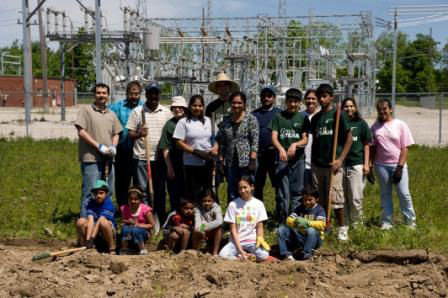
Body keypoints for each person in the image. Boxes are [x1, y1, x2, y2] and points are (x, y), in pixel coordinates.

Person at [309, 84, 352, 241]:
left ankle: (342, 228)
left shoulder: (338, 115)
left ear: (331, 97)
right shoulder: (316, 118)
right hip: (317, 163)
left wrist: (340, 159)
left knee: (335, 197)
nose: (321, 99)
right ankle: (325, 225)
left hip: (333, 163)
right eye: (320, 96)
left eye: (325, 96)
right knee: (321, 198)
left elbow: (349, 138)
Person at [127, 82, 172, 225]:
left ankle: (160, 216)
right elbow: (130, 134)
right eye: (151, 93)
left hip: (159, 158)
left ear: (159, 94)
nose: (153, 96)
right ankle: (145, 217)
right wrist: (140, 133)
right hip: (141, 156)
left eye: (156, 93)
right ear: (146, 94)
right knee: (142, 190)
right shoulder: (137, 111)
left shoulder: (166, 112)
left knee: (159, 190)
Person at [75, 83, 122, 218]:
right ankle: (85, 223)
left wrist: (114, 146)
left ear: (108, 95)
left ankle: (105, 221)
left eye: (104, 93)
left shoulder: (111, 114)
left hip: (108, 159)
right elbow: (81, 132)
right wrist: (98, 146)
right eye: (98, 93)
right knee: (90, 192)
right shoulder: (86, 111)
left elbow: (116, 133)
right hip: (91, 158)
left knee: (108, 191)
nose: (101, 95)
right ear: (94, 95)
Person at [370, 99, 417, 230]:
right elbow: (373, 148)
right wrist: (370, 166)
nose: (382, 112)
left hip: (398, 166)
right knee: (385, 194)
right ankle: (386, 221)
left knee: (404, 193)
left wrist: (400, 168)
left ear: (390, 109)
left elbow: (405, 148)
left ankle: (410, 222)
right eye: (379, 109)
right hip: (381, 166)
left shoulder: (400, 125)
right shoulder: (374, 127)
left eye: (384, 109)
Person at [269, 88, 309, 224]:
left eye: (296, 102)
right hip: (282, 160)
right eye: (290, 101)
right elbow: (274, 137)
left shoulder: (303, 118)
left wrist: (295, 145)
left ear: (300, 103)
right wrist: (280, 149)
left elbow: (305, 139)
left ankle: (294, 221)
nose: (293, 104)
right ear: (286, 101)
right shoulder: (278, 117)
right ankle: (281, 221)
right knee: (282, 193)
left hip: (298, 160)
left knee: (297, 192)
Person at [173, 95, 218, 202]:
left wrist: (215, 148)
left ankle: (208, 214)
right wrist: (195, 151)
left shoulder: (209, 121)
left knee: (208, 191)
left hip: (208, 162)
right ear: (189, 106)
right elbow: (178, 142)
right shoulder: (183, 122)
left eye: (200, 106)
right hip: (191, 163)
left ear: (203, 107)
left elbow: (216, 138)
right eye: (194, 105)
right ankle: (195, 215)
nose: (197, 108)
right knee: (193, 192)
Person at [217, 91, 259, 202]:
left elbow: (255, 140)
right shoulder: (226, 120)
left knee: (246, 188)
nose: (236, 105)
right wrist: (221, 160)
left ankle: (249, 214)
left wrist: (253, 159)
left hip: (247, 161)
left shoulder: (251, 119)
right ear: (230, 104)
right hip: (231, 161)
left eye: (239, 103)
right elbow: (223, 142)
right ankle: (233, 215)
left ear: (244, 104)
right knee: (232, 189)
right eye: (234, 103)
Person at [108, 81, 144, 206]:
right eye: (131, 93)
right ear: (126, 93)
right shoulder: (116, 107)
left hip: (140, 149)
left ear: (140, 93)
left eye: (136, 93)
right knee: (122, 180)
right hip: (123, 149)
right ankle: (123, 207)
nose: (134, 96)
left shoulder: (144, 107)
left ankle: (139, 209)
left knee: (139, 179)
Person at [219, 176, 271, 262]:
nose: (242, 191)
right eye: (240, 188)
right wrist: (240, 249)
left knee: (264, 255)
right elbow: (233, 229)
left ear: (252, 187)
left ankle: (244, 257)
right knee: (222, 255)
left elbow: (260, 226)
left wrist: (260, 239)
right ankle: (242, 257)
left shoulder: (259, 204)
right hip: (236, 241)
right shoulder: (233, 204)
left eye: (245, 187)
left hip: (252, 240)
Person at [341, 97, 372, 225]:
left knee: (355, 197)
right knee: (343, 196)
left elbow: (366, 144)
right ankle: (346, 222)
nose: (349, 109)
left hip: (356, 163)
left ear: (355, 107)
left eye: (351, 106)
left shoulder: (361, 123)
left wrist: (366, 164)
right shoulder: (339, 123)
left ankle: (357, 223)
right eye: (346, 106)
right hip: (342, 164)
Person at [277, 185, 326, 261]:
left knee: (311, 230)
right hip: (299, 236)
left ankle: (306, 254)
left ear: (316, 199)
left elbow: (322, 224)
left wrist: (308, 223)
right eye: (305, 199)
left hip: (315, 238)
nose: (307, 202)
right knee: (281, 229)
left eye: (310, 200)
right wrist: (295, 222)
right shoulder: (299, 208)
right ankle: (286, 254)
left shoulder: (319, 209)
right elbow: (288, 220)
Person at [159, 96, 188, 211]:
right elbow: (165, 147)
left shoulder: (191, 121)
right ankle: (175, 216)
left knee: (188, 190)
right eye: (175, 107)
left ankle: (190, 217)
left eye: (180, 107)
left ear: (185, 108)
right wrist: (169, 167)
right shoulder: (169, 125)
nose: (177, 109)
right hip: (176, 161)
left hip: (191, 162)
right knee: (174, 191)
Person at [252, 86, 282, 201]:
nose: (266, 98)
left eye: (269, 96)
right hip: (259, 155)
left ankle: (280, 212)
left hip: (276, 155)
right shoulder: (254, 114)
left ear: (274, 98)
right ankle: (259, 211)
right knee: (257, 184)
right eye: (264, 96)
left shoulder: (280, 113)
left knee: (278, 184)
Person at [76, 180, 117, 254]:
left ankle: (112, 247)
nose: (98, 196)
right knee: (81, 221)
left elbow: (100, 221)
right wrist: (88, 239)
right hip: (94, 229)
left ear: (106, 193)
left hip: (107, 229)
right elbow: (90, 221)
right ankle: (85, 247)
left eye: (101, 193)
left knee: (103, 222)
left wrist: (92, 238)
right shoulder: (91, 203)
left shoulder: (108, 204)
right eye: (96, 193)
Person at [120, 185, 154, 255]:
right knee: (125, 229)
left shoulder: (145, 209)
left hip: (143, 232)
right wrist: (127, 221)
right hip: (129, 231)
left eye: (136, 199)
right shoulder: (124, 208)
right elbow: (122, 223)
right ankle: (124, 249)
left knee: (135, 229)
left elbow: (152, 225)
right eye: (130, 199)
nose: (133, 201)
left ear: (140, 200)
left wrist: (139, 225)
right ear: (128, 199)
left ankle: (142, 249)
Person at [192, 188, 223, 255]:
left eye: (209, 201)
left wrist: (206, 227)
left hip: (211, 228)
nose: (207, 203)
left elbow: (219, 221)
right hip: (202, 228)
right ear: (200, 201)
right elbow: (197, 222)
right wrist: (201, 229)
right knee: (194, 230)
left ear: (213, 200)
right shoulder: (198, 208)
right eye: (204, 201)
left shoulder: (217, 207)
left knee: (219, 228)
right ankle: (196, 250)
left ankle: (215, 252)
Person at [300, 89, 319, 187]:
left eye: (313, 98)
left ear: (317, 100)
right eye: (308, 98)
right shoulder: (300, 116)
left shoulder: (321, 116)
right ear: (304, 100)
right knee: (305, 188)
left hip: (318, 161)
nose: (310, 101)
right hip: (303, 160)